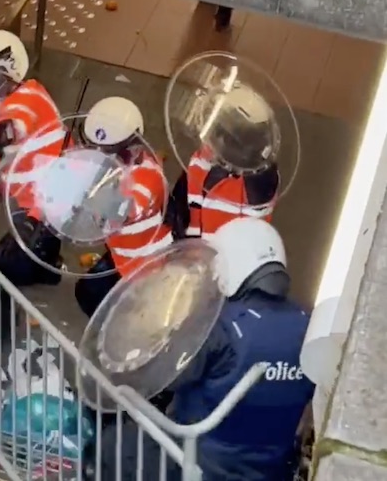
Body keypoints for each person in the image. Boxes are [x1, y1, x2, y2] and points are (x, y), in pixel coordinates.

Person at [99, 217, 314, 481]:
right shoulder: (308, 323)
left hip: (197, 464)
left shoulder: (221, 325)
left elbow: (166, 378)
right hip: (271, 470)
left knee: (115, 444)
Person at [0, 29, 66, 343]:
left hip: (43, 203)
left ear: (8, 72)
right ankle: (45, 269)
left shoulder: (27, 102)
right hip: (41, 197)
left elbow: (8, 128)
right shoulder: (4, 94)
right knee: (43, 241)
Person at [74, 97, 172, 318]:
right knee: (87, 292)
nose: (100, 160)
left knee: (94, 297)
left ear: (135, 148)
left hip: (145, 265)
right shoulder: (112, 168)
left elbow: (124, 211)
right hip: (121, 252)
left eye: (110, 153)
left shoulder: (148, 178)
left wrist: (86, 196)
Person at [167, 84, 280, 240]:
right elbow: (185, 193)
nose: (208, 140)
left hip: (231, 255)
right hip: (193, 247)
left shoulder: (259, 182)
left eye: (216, 132)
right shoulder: (203, 158)